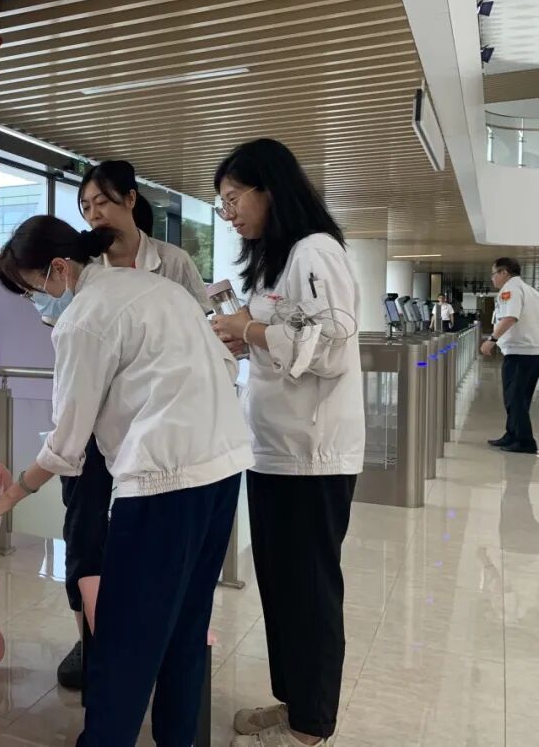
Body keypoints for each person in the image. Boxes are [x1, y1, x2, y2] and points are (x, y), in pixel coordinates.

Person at [0, 215, 252, 747]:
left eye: (31, 288)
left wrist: (12, 494)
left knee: (123, 635)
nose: (35, 301)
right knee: (188, 624)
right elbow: (225, 369)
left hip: (164, 484)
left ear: (58, 268)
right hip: (223, 469)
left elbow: (67, 441)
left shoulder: (84, 319)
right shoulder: (159, 290)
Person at [209, 139, 363, 747]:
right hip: (274, 450)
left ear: (269, 189)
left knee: (310, 590)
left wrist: (249, 328)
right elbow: (288, 344)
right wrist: (247, 338)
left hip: (312, 456)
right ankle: (295, 702)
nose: (229, 214)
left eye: (233, 199)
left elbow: (330, 346)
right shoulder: (278, 260)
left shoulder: (315, 251)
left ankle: (310, 726)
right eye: (222, 205)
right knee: (280, 587)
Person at [55, 160, 213, 691]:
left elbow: (202, 331)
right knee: (84, 531)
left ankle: (151, 639)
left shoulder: (172, 262)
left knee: (147, 535)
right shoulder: (82, 266)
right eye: (85, 206)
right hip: (93, 426)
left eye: (101, 201)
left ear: (130, 199)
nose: (93, 213)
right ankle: (87, 637)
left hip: (154, 429)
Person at [482, 257, 539, 454]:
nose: (492, 278)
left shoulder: (510, 290)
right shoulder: (529, 290)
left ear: (504, 272)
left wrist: (491, 339)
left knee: (514, 397)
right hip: (531, 352)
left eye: (494, 274)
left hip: (520, 352)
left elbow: (510, 317)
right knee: (520, 398)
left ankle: (525, 442)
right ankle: (512, 434)